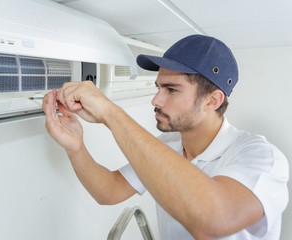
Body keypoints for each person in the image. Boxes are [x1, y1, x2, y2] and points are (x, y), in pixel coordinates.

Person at [42, 35, 289, 239]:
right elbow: (109, 191)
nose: (156, 100)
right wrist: (75, 147)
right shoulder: (168, 146)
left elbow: (212, 220)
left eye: (171, 90)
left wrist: (110, 113)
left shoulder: (261, 157)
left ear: (212, 100)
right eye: (158, 88)